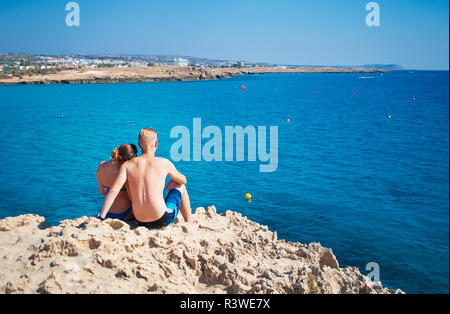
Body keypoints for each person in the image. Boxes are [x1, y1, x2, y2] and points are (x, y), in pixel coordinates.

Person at [96, 128, 196, 229]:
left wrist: (101, 217)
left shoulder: (127, 165)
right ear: (156, 143)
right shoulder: (164, 163)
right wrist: (173, 180)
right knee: (181, 187)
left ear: (139, 144)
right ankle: (189, 222)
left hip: (139, 221)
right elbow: (183, 180)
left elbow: (113, 190)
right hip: (161, 220)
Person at [94, 144, 137, 221]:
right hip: (126, 213)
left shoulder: (101, 166)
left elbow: (102, 192)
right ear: (131, 158)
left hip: (108, 213)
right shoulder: (126, 171)